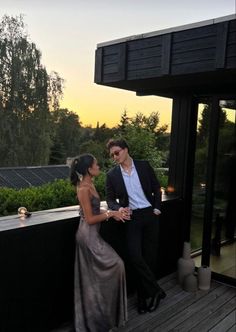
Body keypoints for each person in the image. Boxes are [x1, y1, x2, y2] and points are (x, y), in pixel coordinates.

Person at [106, 138, 166, 314]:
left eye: (117, 153)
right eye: (112, 155)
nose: (114, 157)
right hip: (132, 218)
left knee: (149, 259)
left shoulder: (144, 165)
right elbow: (109, 199)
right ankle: (156, 291)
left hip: (150, 215)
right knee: (135, 257)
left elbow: (157, 188)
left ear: (126, 149)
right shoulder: (112, 175)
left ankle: (143, 298)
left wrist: (156, 208)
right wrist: (119, 208)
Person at [70, 153, 128, 332]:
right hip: (88, 237)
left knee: (94, 280)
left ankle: (102, 319)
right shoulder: (83, 189)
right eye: (96, 165)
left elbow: (96, 208)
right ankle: (96, 322)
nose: (99, 167)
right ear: (89, 169)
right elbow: (89, 219)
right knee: (117, 265)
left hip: (93, 236)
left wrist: (116, 211)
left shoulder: (90, 184)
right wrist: (112, 214)